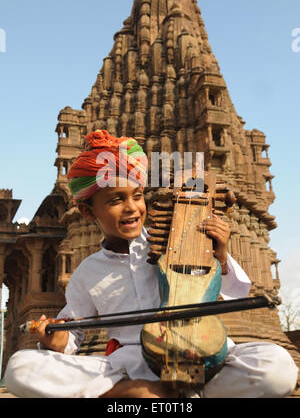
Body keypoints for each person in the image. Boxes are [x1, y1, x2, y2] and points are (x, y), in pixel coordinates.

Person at [4, 130, 298, 398]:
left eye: (137, 195)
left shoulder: (181, 241)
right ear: (87, 210)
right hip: (127, 364)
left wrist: (219, 256)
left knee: (278, 366)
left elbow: (234, 293)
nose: (132, 207)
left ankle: (160, 396)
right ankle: (142, 393)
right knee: (21, 367)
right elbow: (73, 336)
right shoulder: (88, 272)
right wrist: (56, 339)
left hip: (198, 352)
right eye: (116, 200)